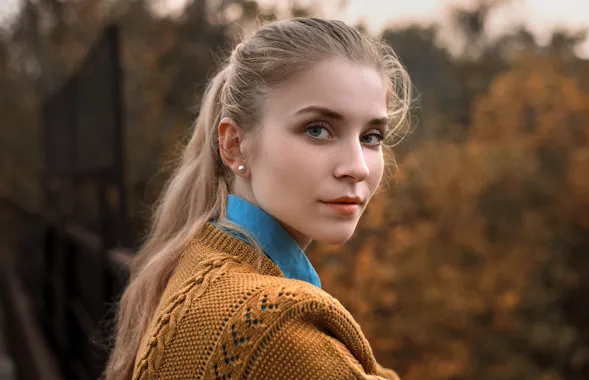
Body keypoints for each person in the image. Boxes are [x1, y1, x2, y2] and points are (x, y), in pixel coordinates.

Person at [105, 17, 411, 380]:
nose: (357, 168)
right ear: (235, 145)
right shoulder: (275, 328)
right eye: (317, 130)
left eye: (371, 136)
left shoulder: (197, 258)